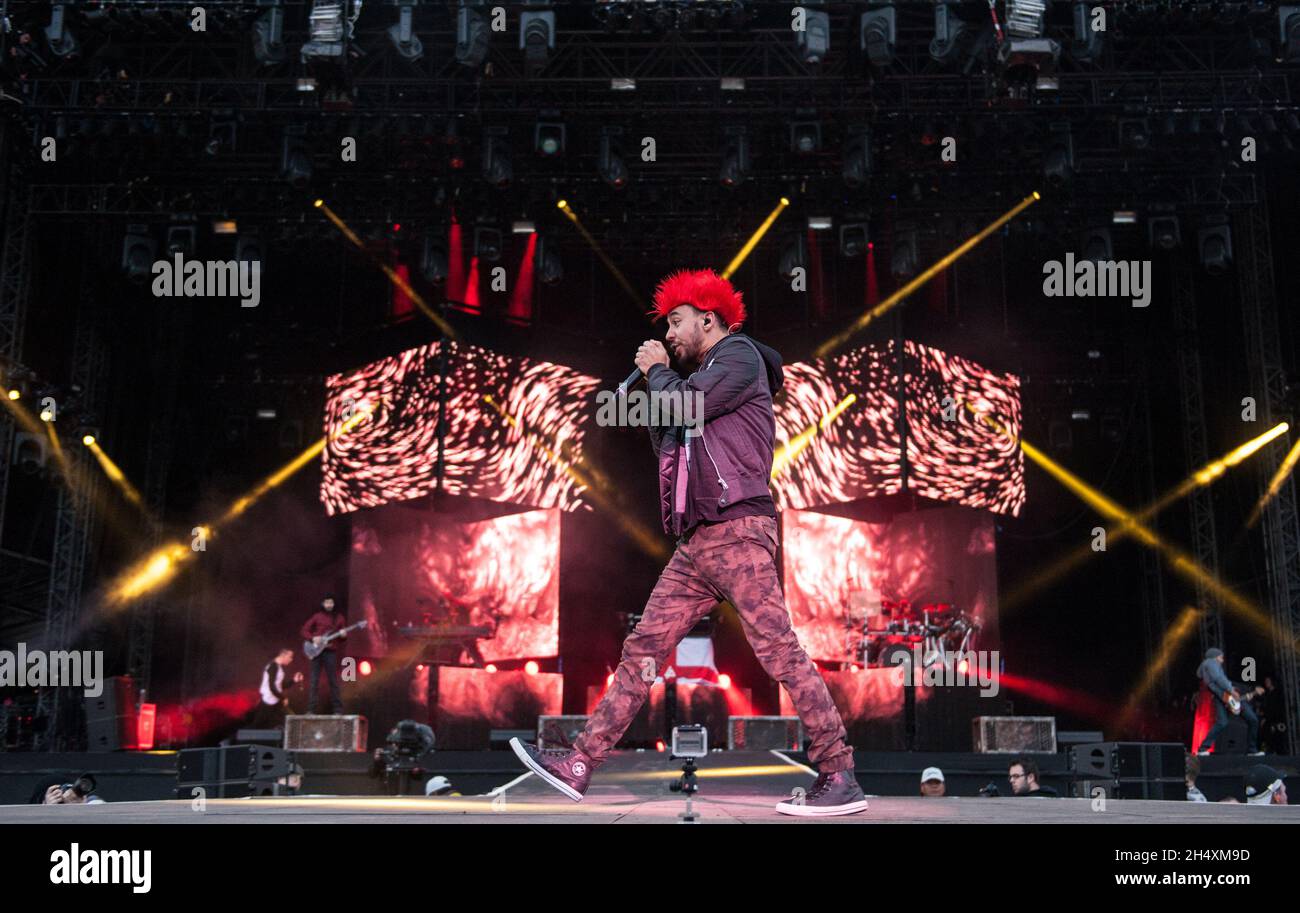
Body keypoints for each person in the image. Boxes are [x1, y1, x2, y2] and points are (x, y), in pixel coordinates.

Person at [509, 269, 866, 817]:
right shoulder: (699, 378)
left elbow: (684, 406)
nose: (669, 333)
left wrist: (655, 371)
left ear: (708, 316)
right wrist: (655, 397)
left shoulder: (740, 358)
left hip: (739, 532)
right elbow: (674, 445)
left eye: (675, 321)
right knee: (642, 651)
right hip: (697, 543)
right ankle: (580, 763)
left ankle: (839, 773)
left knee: (778, 651)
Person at [1194, 647, 1264, 756]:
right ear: (1215, 656)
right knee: (1252, 720)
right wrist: (1231, 690)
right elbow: (1219, 679)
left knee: (1223, 722)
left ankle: (1203, 748)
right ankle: (1251, 749)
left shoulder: (1210, 667)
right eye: (1221, 656)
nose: (1223, 658)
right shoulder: (1210, 663)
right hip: (1226, 695)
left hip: (1223, 696)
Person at [301, 595, 348, 715]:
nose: (329, 605)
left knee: (333, 680)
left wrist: (343, 635)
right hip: (316, 651)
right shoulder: (317, 616)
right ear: (323, 604)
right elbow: (304, 630)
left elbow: (342, 638)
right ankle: (311, 710)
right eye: (327, 603)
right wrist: (313, 638)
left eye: (331, 603)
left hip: (330, 651)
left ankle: (338, 710)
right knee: (314, 681)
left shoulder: (339, 618)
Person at [251, 648, 302, 729]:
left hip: (275, 700)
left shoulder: (278, 667)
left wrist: (294, 680)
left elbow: (280, 686)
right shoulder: (273, 666)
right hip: (269, 701)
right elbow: (271, 687)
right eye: (290, 657)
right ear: (283, 655)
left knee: (291, 720)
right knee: (258, 725)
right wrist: (283, 698)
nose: (291, 659)